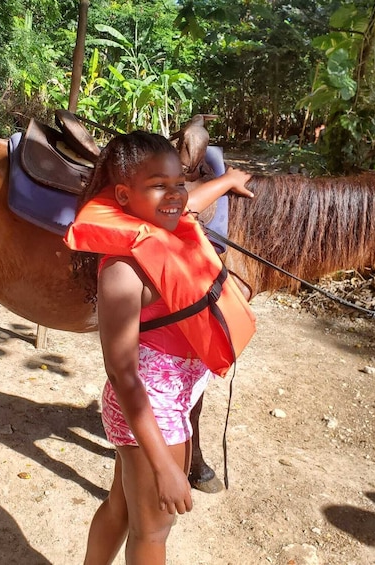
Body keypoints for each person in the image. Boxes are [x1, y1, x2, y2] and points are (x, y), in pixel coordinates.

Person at [64, 131, 254, 565]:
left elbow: (191, 201)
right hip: (149, 410)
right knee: (152, 531)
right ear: (125, 196)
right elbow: (121, 372)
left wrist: (229, 180)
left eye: (177, 182)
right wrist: (166, 467)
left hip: (167, 399)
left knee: (121, 506)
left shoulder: (164, 217)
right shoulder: (123, 272)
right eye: (158, 185)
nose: (173, 196)